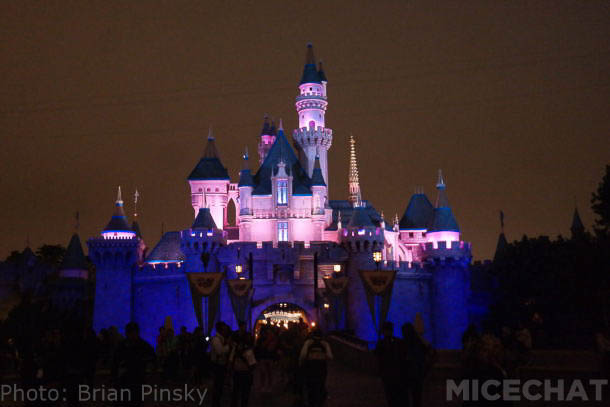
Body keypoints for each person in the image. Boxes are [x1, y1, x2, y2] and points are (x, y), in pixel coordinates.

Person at [111, 322, 156, 407]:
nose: (132, 335)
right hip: (124, 380)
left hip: (136, 379)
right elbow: (115, 362)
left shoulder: (143, 346)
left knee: (134, 401)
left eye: (133, 332)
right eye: (130, 333)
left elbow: (152, 360)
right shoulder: (124, 345)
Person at [299, 328, 333, 407]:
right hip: (321, 367)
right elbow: (330, 356)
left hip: (310, 367)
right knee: (321, 384)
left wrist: (301, 363)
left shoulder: (308, 343)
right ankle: (320, 401)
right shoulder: (325, 344)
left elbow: (303, 355)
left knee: (310, 385)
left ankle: (311, 402)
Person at [375, 322, 405, 407]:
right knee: (396, 394)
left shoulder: (382, 343)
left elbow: (378, 356)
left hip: (389, 373)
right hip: (396, 372)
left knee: (391, 394)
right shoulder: (398, 342)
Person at [401, 323, 429, 407]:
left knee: (411, 396)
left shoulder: (408, 343)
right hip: (415, 373)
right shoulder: (417, 342)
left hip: (412, 373)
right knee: (415, 397)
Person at [229, 321, 256, 407]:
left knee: (236, 391)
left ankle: (235, 404)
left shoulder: (235, 350)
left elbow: (231, 360)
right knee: (244, 392)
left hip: (238, 371)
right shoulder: (248, 351)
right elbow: (253, 364)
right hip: (245, 372)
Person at [210, 321, 231, 407]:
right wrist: (228, 346)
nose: (226, 330)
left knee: (220, 385)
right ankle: (215, 403)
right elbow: (220, 351)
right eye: (224, 328)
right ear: (221, 329)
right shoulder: (216, 339)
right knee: (217, 385)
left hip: (222, 364)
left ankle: (217, 402)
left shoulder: (222, 339)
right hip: (218, 365)